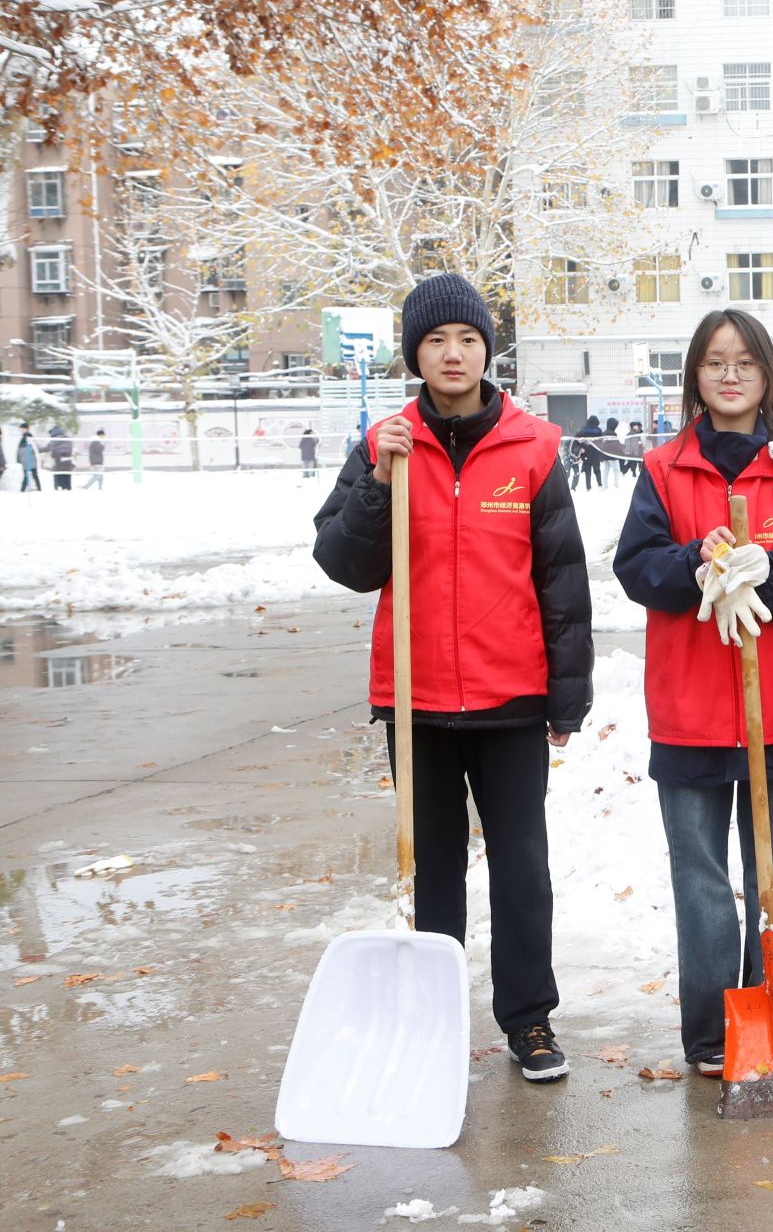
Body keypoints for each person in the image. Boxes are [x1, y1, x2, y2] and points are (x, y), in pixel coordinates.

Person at [311, 272, 593, 1085]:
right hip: (417, 698)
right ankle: (432, 1017)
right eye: (435, 340)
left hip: (511, 697)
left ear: (486, 349)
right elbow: (343, 562)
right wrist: (378, 483)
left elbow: (562, 580)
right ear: (415, 354)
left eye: (467, 338)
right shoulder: (385, 443)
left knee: (521, 865)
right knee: (431, 867)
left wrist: (567, 692)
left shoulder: (532, 446)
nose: (453, 353)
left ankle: (528, 1017)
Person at [613, 308, 773, 1079]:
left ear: (768, 374)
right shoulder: (663, 469)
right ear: (694, 376)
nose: (730, 375)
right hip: (690, 707)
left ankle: (772, 1009)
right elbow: (636, 566)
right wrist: (694, 564)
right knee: (701, 878)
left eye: (744, 361)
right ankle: (711, 1031)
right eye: (714, 361)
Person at [573, 414, 604, 490]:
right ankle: (600, 485)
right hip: (596, 452)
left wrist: (581, 448)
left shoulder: (584, 429)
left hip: (586, 452)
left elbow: (578, 439)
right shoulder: (598, 430)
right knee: (597, 469)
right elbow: (601, 441)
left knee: (587, 471)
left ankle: (588, 487)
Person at [46, 426, 74, 491]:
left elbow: (48, 449)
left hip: (58, 462)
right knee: (67, 476)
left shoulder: (54, 441)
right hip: (68, 461)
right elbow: (71, 449)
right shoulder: (67, 439)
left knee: (58, 475)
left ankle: (59, 487)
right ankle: (67, 487)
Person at [16, 424, 40, 491]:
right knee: (31, 475)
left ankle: (23, 490)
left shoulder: (28, 437)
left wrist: (19, 458)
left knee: (32, 474)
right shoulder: (24, 437)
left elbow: (24, 449)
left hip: (29, 459)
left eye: (22, 429)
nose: (21, 430)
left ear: (26, 428)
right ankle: (38, 489)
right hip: (27, 459)